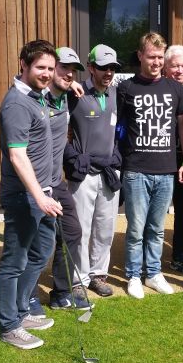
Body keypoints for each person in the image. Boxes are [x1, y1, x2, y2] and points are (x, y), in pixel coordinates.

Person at [0, 40, 63, 349]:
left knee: (40, 253)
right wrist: (39, 196)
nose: (47, 74)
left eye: (51, 68)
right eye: (41, 67)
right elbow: (17, 156)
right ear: (23, 64)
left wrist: (47, 191)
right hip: (25, 197)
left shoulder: (38, 99)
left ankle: (21, 310)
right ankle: (9, 325)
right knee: (14, 260)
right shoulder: (17, 104)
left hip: (43, 194)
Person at [117, 32, 183, 299]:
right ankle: (134, 275)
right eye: (152, 57)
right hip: (136, 169)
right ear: (140, 56)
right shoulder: (126, 88)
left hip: (166, 169)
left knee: (157, 228)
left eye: (161, 57)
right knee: (136, 227)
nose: (157, 62)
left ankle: (154, 273)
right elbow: (118, 126)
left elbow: (182, 127)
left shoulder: (175, 89)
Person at [28, 47, 93, 313]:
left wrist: (71, 82)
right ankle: (28, 297)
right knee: (33, 242)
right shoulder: (34, 98)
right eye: (63, 67)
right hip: (32, 183)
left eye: (73, 69)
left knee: (72, 232)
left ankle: (61, 292)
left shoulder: (65, 97)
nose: (69, 73)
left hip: (56, 181)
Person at [64, 44, 123, 299]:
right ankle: (78, 279)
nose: (108, 72)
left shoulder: (116, 94)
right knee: (81, 228)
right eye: (102, 67)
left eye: (112, 68)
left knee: (105, 227)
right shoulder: (75, 93)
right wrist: (66, 85)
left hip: (109, 171)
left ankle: (99, 276)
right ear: (90, 68)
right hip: (84, 172)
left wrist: (118, 156)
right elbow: (48, 104)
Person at [163, 44, 183, 273]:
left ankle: (180, 255)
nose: (180, 70)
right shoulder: (158, 88)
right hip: (160, 159)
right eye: (175, 65)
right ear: (165, 67)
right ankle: (147, 257)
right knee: (154, 211)